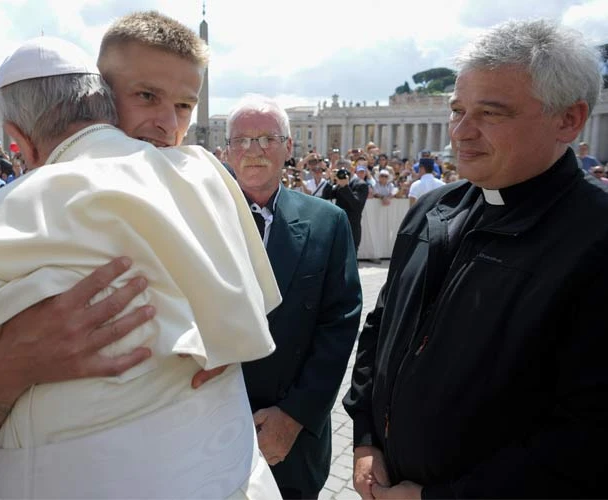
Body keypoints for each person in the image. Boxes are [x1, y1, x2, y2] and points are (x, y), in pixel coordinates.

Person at [0, 36, 283, 499]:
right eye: (147, 97)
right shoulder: (205, 174)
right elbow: (259, 305)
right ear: (107, 104)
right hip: (229, 475)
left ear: (18, 139)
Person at [343, 19, 608, 499]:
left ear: (568, 120)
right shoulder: (432, 209)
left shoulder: (596, 238)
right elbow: (381, 328)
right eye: (457, 109)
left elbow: (589, 436)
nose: (460, 133)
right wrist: (365, 439)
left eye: (490, 113)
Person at [225, 94, 362, 499]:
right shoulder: (194, 220)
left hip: (292, 433)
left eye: (268, 138)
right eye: (243, 140)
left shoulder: (328, 221)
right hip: (209, 423)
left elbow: (340, 325)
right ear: (227, 150)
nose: (254, 151)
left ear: (289, 146)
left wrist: (295, 416)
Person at [331, 158, 369, 251]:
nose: (343, 172)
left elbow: (357, 205)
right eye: (340, 170)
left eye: (345, 169)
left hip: (351, 227)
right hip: (338, 226)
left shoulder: (361, 184)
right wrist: (331, 181)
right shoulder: (338, 183)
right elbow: (327, 195)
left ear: (352, 169)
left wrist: (345, 187)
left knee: (350, 258)